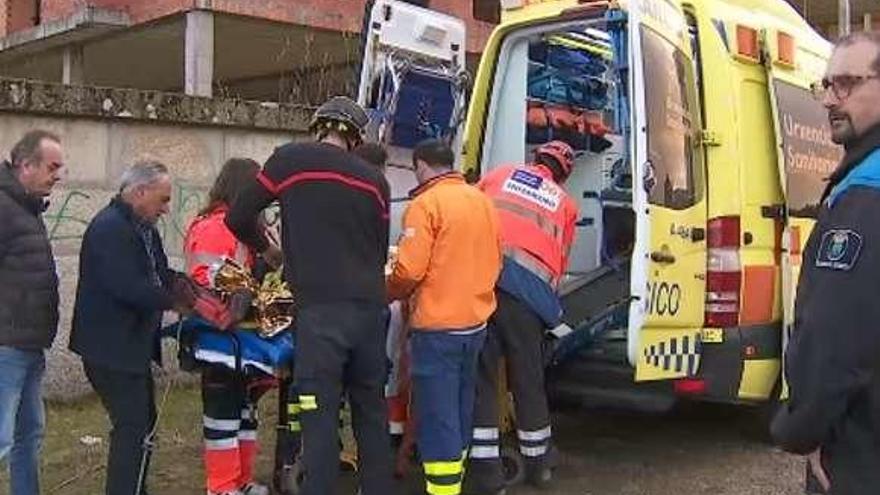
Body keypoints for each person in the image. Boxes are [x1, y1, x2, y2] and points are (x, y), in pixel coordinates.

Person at [227, 96, 395, 495]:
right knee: (370, 415)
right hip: (370, 311)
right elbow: (378, 248)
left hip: (320, 313)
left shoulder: (290, 160)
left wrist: (268, 251)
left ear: (318, 127)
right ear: (356, 138)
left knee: (319, 419)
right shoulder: (377, 181)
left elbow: (238, 216)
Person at [771, 32, 880, 495]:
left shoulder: (866, 192)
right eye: (827, 85)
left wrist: (803, 430)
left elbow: (834, 339)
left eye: (849, 84)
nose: (832, 100)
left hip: (861, 448)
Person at [70, 161, 195, 495]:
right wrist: (173, 302)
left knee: (143, 423)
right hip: (110, 348)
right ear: (139, 192)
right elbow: (128, 286)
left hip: (132, 346)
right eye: (163, 200)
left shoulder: (144, 228)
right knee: (132, 427)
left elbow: (159, 272)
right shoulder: (108, 228)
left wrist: (184, 284)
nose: (167, 209)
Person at [387, 138, 502, 495]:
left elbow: (408, 270)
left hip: (438, 327)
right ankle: (455, 480)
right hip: (476, 323)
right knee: (461, 406)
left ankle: (443, 489)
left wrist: (384, 291)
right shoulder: (481, 200)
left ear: (420, 165)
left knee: (437, 416)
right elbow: (496, 258)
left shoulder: (425, 205)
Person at [467, 140, 579, 494]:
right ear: (563, 176)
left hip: (484, 284)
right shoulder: (565, 204)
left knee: (482, 376)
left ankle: (485, 467)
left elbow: (469, 214)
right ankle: (538, 464)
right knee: (527, 378)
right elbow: (559, 264)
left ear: (535, 158)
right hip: (528, 300)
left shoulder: (499, 174)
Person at [183, 158, 273, 495]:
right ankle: (221, 486)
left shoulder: (239, 227)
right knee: (222, 415)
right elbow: (209, 281)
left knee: (245, 412)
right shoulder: (215, 226)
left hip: (241, 338)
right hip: (218, 337)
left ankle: (241, 480)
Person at [0, 130, 64, 495]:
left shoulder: (27, 206)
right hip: (5, 346)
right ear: (25, 165)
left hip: (30, 345)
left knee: (29, 436)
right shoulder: (4, 207)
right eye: (52, 167)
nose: (58, 175)